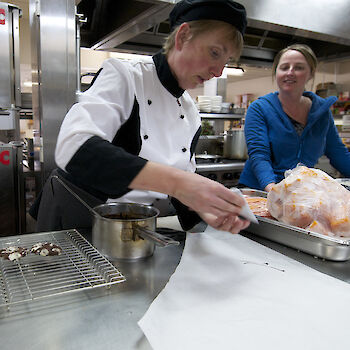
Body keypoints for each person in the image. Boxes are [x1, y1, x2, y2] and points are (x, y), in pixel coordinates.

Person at [31, 0, 251, 238]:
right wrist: (180, 183)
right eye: (214, 52)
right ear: (183, 36)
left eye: (226, 61)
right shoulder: (126, 75)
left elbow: (181, 189)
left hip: (135, 231)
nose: (218, 71)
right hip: (79, 220)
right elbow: (74, 148)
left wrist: (203, 209)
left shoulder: (191, 113)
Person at [239, 43, 350, 192]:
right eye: (284, 67)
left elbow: (338, 153)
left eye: (298, 67)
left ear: (311, 73)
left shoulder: (322, 112)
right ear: (276, 72)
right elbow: (259, 156)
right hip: (260, 191)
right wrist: (273, 190)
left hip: (300, 194)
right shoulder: (260, 108)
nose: (290, 72)